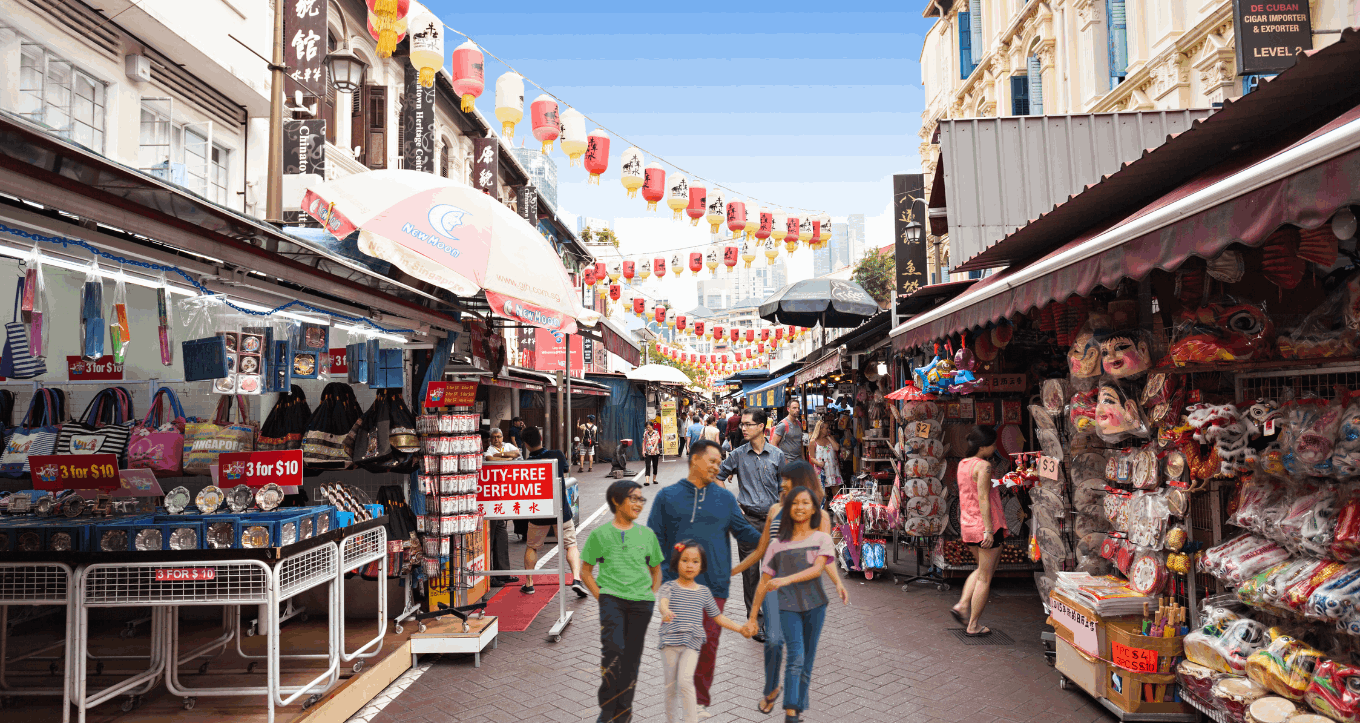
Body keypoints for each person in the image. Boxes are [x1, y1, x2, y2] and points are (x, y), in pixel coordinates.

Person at [647, 439, 762, 717]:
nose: (717, 466)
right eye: (712, 460)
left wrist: (773, 542)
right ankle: (679, 698)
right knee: (679, 643)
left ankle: (697, 703)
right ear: (694, 460)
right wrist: (659, 579)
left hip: (715, 586)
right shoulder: (667, 496)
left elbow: (744, 532)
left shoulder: (725, 498)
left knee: (708, 645)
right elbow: (652, 540)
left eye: (719, 461)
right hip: (676, 587)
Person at [732, 461, 848, 715]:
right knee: (773, 640)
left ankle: (792, 711)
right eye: (781, 479)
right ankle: (773, 688)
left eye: (786, 479)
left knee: (798, 654)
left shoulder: (820, 516)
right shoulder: (775, 509)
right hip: (774, 585)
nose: (781, 483)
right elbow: (762, 550)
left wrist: (838, 582)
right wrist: (734, 570)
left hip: (804, 590)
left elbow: (825, 556)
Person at [581, 480, 663, 723]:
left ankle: (623, 714)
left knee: (631, 661)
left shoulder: (647, 535)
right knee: (613, 654)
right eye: (633, 498)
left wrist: (650, 594)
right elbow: (586, 571)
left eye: (641, 499)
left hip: (641, 604)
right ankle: (607, 711)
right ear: (617, 502)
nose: (639, 503)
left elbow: (657, 569)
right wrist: (602, 596)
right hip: (612, 601)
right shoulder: (600, 535)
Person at [657, 541, 751, 723]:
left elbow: (718, 617)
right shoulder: (669, 587)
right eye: (684, 560)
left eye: (695, 561)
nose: (689, 565)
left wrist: (740, 628)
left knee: (685, 682)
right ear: (676, 563)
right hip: (670, 643)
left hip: (692, 643)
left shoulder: (704, 592)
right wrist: (665, 611)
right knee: (670, 687)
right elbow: (663, 603)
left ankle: (690, 719)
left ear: (701, 566)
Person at [717, 407, 785, 642]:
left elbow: (784, 487)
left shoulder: (777, 455)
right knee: (751, 575)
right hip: (748, 522)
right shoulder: (737, 454)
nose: (742, 428)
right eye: (742, 424)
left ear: (761, 427)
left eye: (747, 424)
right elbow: (717, 477)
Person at [950, 425, 1008, 637]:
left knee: (982, 569)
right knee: (985, 577)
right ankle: (973, 624)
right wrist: (989, 530)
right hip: (985, 526)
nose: (994, 448)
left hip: (968, 524)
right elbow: (983, 498)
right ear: (983, 447)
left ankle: (962, 605)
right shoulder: (983, 466)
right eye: (992, 444)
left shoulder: (963, 464)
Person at [521, 426, 589, 598]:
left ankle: (529, 584)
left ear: (526, 444)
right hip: (561, 510)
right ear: (541, 439)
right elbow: (565, 469)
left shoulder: (526, 463)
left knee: (532, 546)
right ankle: (576, 579)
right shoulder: (557, 454)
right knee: (571, 545)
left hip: (538, 512)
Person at [483, 427, 521, 587]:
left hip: (503, 497)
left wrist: (502, 456)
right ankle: (490, 576)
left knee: (502, 535)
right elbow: (491, 460)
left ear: (502, 437)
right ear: (490, 440)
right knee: (489, 539)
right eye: (494, 437)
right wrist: (508, 459)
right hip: (490, 499)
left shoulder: (507, 446)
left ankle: (503, 573)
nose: (496, 439)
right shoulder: (488, 450)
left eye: (499, 437)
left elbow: (517, 454)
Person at [807, 420, 840, 501]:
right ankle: (823, 513)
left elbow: (837, 448)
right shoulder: (813, 441)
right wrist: (818, 463)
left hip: (833, 470)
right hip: (821, 470)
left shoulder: (830, 438)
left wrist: (828, 437)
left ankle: (837, 513)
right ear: (820, 429)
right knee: (823, 497)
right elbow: (811, 457)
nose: (828, 430)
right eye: (826, 428)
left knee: (837, 494)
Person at [642, 422, 662, 486]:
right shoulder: (645, 433)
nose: (648, 428)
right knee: (647, 465)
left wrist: (654, 448)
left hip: (655, 451)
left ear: (652, 426)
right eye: (647, 427)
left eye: (649, 427)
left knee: (655, 465)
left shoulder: (656, 433)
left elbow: (656, 441)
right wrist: (643, 450)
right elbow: (644, 442)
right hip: (648, 451)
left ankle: (654, 479)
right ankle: (647, 481)